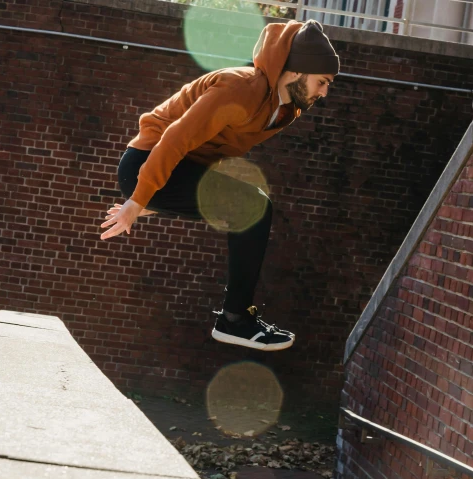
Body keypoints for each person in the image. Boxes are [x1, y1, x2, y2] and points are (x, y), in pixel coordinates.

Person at [100, 20, 339, 351]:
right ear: (297, 70)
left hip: (175, 172)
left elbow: (215, 152)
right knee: (254, 206)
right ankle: (235, 320)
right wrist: (140, 199)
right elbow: (175, 139)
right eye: (322, 82)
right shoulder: (241, 88)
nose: (324, 92)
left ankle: (236, 317)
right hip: (146, 160)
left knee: (251, 206)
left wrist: (151, 205)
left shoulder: (284, 110)